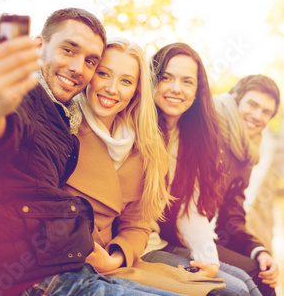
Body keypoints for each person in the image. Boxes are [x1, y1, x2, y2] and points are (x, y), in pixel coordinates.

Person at [0, 8, 183, 296]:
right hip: (28, 278)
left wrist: (107, 253)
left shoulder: (63, 123)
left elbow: (137, 221)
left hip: (69, 266)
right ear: (39, 46)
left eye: (89, 61)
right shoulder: (17, 96)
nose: (78, 68)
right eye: (68, 50)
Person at [64, 37, 224, 295]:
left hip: (118, 258)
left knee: (224, 289)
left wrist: (116, 257)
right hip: (70, 264)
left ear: (137, 89)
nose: (112, 88)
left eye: (126, 81)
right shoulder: (65, 126)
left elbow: (138, 221)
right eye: (104, 74)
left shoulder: (143, 145)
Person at [141, 43, 259, 296]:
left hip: (159, 244)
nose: (176, 89)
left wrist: (209, 261)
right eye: (166, 78)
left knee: (247, 282)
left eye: (187, 82)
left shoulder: (188, 136)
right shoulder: (138, 127)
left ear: (197, 90)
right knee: (235, 291)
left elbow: (190, 209)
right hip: (139, 250)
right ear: (152, 80)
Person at [213, 75, 281, 295]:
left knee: (262, 270)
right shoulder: (207, 130)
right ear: (235, 99)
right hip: (173, 239)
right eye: (252, 105)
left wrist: (258, 250)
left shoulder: (246, 149)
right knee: (247, 282)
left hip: (208, 235)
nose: (257, 116)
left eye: (266, 112)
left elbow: (231, 214)